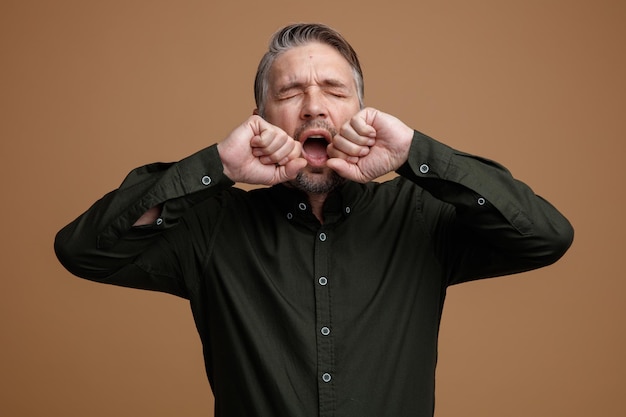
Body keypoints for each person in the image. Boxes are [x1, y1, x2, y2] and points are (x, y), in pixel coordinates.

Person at [54, 23, 574, 417]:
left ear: (362, 111)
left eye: (334, 90)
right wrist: (217, 166)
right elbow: (84, 250)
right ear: (260, 116)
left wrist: (418, 152)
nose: (313, 108)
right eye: (289, 93)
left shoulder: (420, 217)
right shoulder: (211, 227)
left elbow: (545, 236)